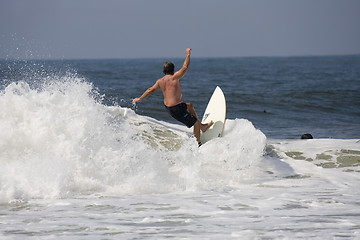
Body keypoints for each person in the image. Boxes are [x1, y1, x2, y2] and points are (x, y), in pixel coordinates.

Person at [132, 48, 213, 146]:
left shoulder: (160, 81)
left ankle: (203, 127)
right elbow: (185, 67)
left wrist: (139, 98)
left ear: (164, 71)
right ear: (173, 70)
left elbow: (150, 90)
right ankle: (198, 144)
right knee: (195, 123)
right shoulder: (175, 77)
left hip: (170, 108)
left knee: (190, 106)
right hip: (176, 109)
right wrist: (188, 54)